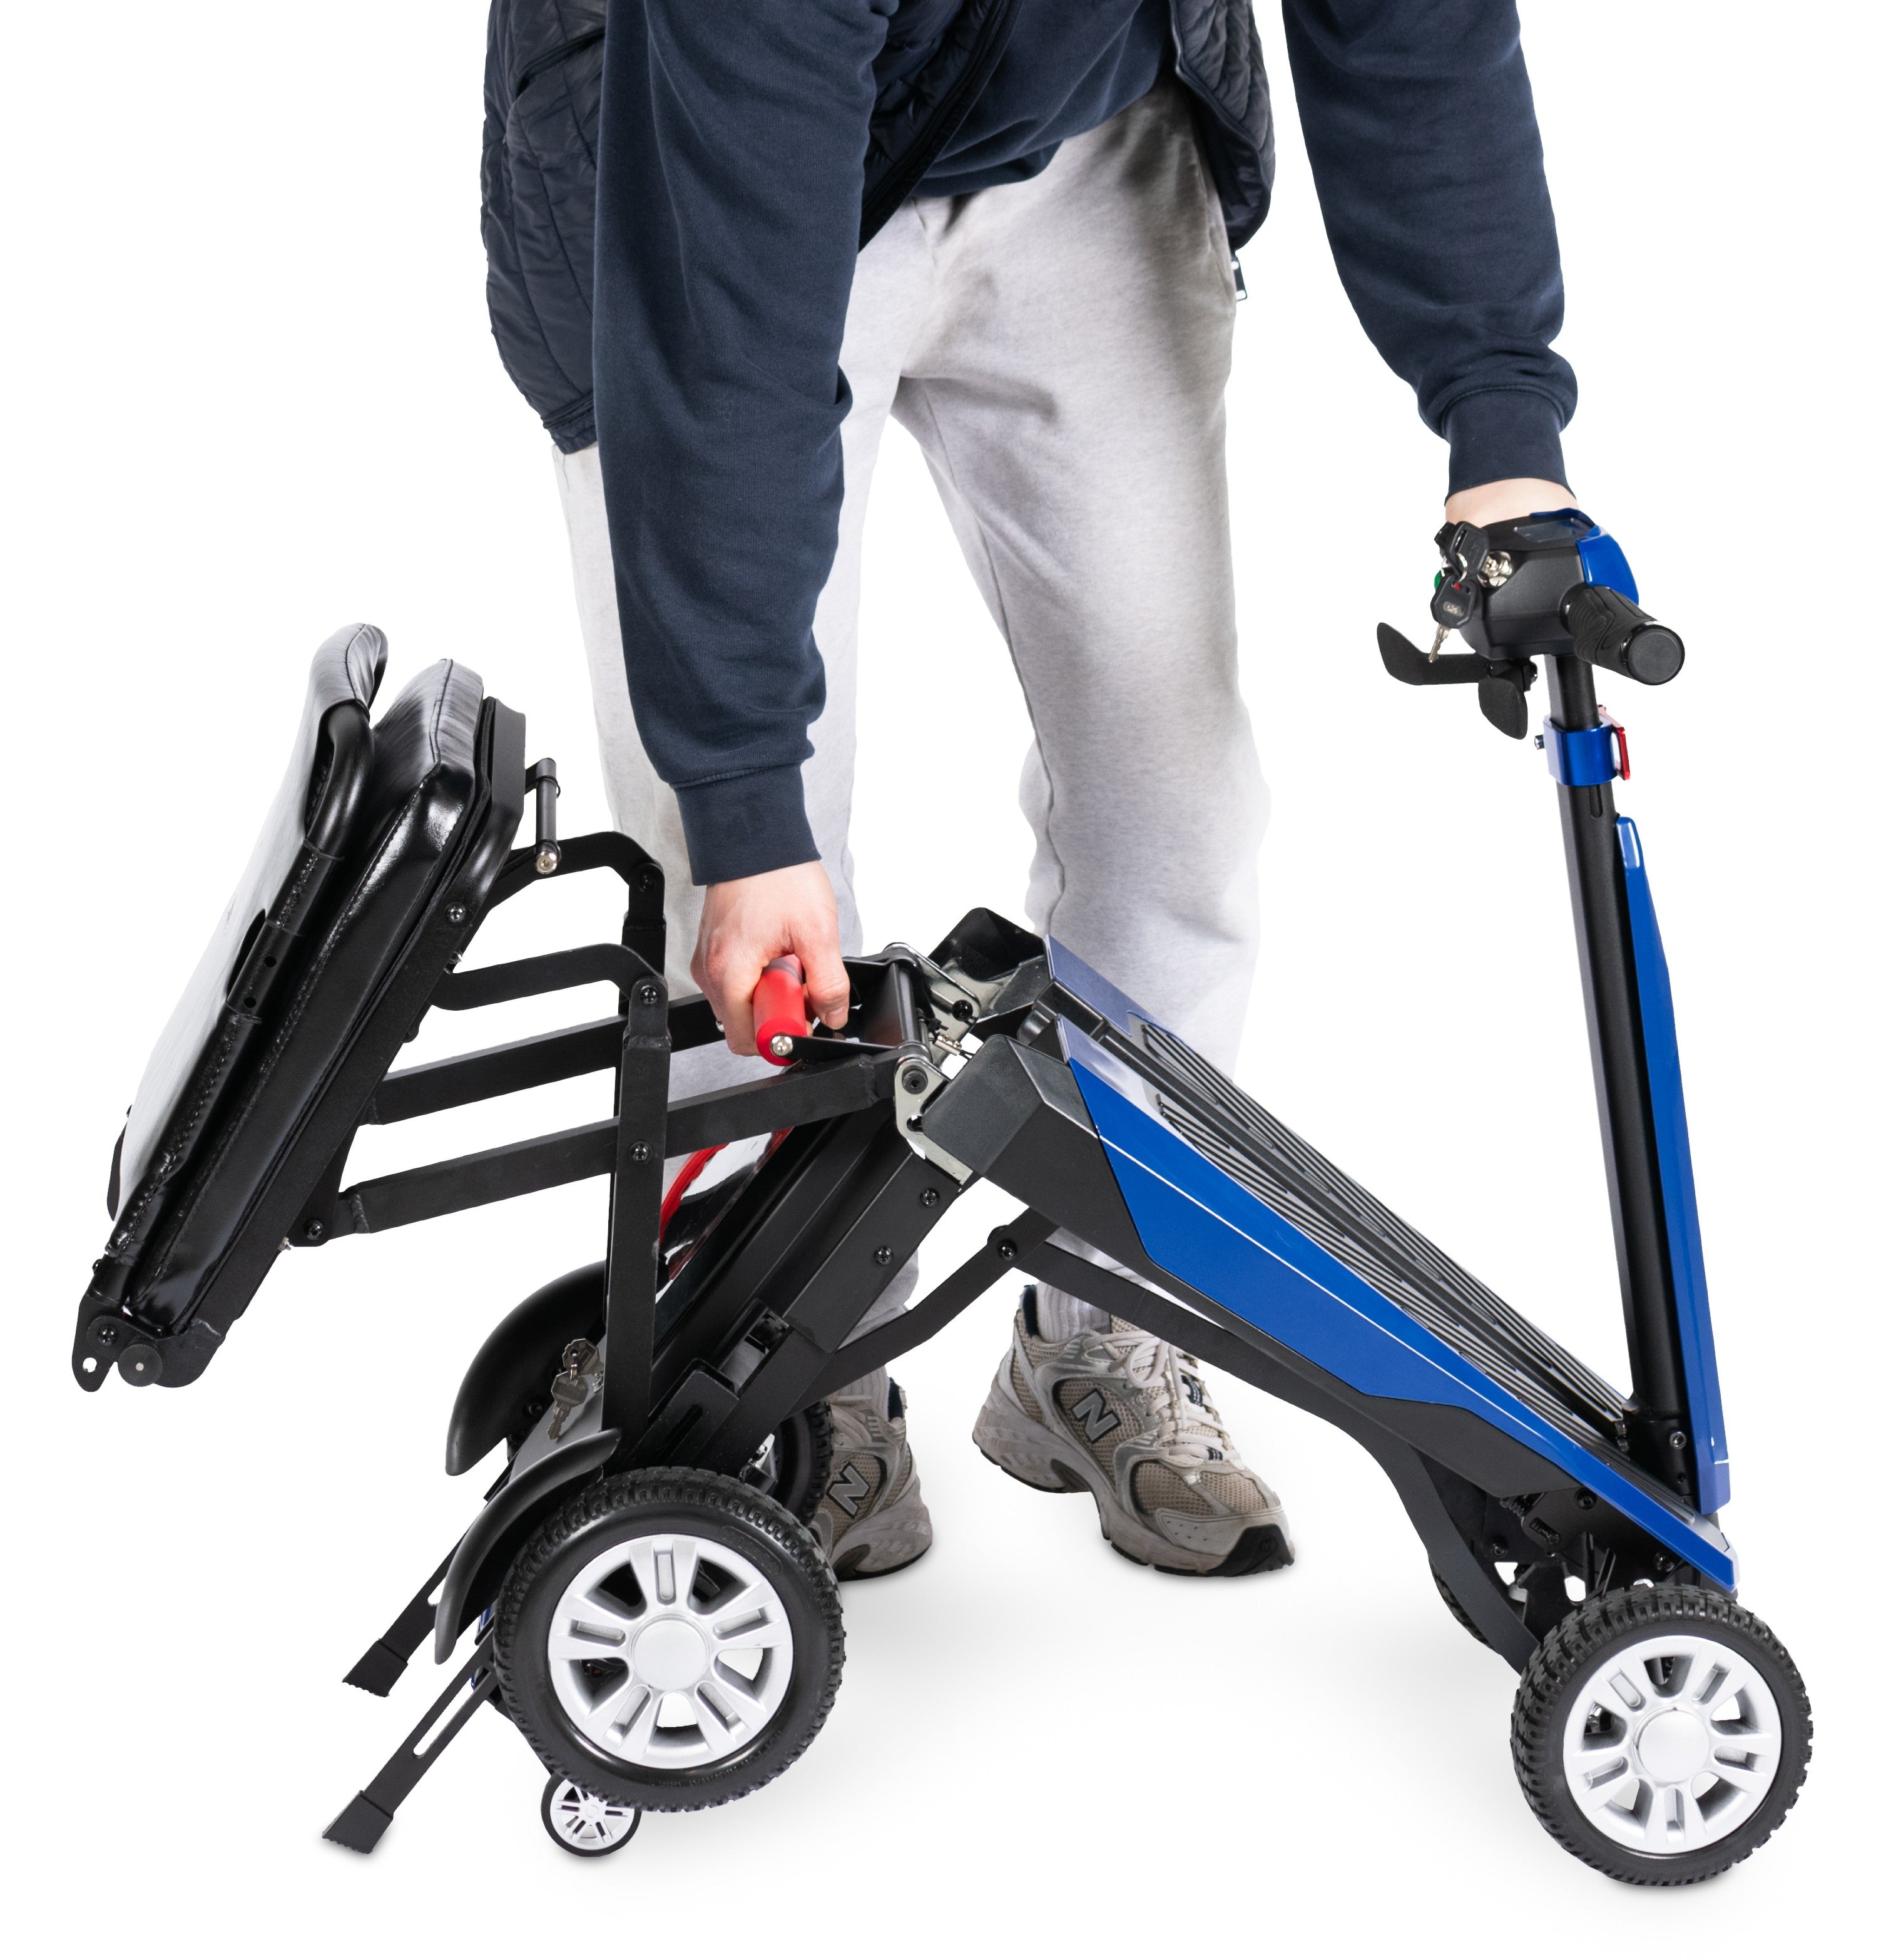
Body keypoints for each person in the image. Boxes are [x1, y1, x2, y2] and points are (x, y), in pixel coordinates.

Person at [480, 0, 1576, 1580]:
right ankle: (782, 1373)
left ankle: (1100, 1329)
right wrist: (740, 794)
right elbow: (725, 298)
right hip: (693, 146)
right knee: (728, 882)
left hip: (1084, 133)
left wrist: (1501, 420)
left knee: (1178, 817)